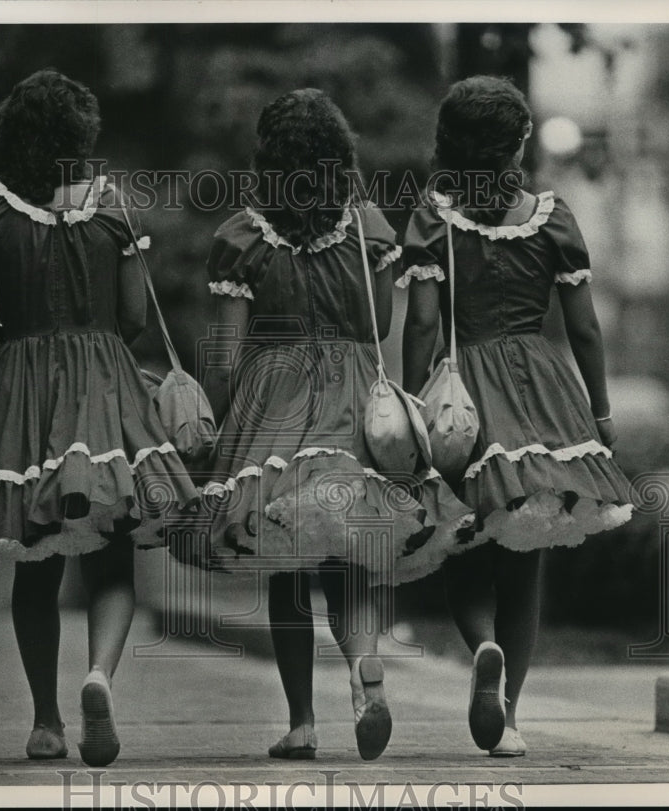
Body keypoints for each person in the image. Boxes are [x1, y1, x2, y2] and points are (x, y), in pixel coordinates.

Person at [0, 69, 199, 767]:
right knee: (114, 549)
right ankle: (100, 673)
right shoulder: (114, 206)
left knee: (33, 553)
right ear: (80, 136)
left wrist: (7, 321)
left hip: (23, 387)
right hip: (104, 384)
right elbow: (130, 318)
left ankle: (45, 721)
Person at [197, 88, 474, 762]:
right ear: (339, 157)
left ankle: (301, 722)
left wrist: (217, 426)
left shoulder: (241, 236)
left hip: (276, 403)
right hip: (354, 399)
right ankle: (364, 667)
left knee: (285, 565)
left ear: (269, 160)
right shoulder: (368, 227)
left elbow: (228, 360)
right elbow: (379, 326)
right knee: (350, 557)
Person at [399, 76, 634, 758]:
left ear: (449, 143)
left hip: (463, 396)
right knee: (525, 565)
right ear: (518, 144)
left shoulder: (431, 219)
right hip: (542, 395)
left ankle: (483, 645)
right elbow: (584, 328)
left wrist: (417, 407)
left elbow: (419, 325)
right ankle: (512, 715)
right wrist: (600, 408)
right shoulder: (552, 217)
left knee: (463, 551)